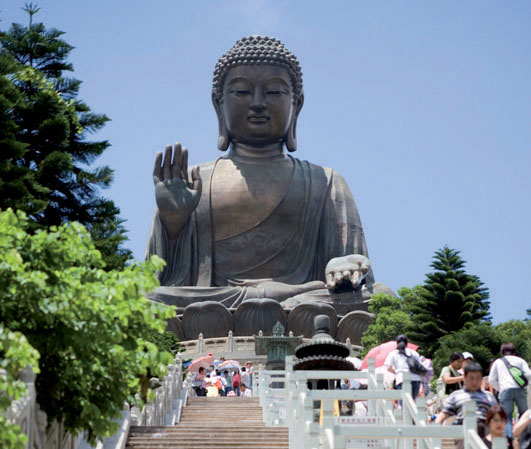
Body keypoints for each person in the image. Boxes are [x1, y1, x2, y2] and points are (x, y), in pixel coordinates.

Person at [146, 35, 393, 310]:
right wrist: (172, 226)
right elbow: (158, 280)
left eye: (274, 92)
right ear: (218, 104)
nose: (258, 103)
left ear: (296, 105)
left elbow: (356, 273)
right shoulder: (191, 181)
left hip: (303, 302)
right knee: (147, 301)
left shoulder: (325, 183)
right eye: (241, 92)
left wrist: (343, 265)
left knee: (380, 297)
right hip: (215, 305)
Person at [436, 361, 498, 445]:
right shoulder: (456, 396)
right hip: (462, 425)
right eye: (471, 378)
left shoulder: (488, 396)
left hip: (483, 425)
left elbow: (497, 415)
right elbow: (442, 416)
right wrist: (435, 428)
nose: (474, 382)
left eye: (478, 378)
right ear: (464, 377)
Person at [489, 342, 531, 439]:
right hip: (520, 390)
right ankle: (524, 439)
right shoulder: (520, 360)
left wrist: (500, 388)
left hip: (505, 390)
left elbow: (491, 379)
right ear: (514, 352)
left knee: (507, 418)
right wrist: (524, 385)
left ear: (502, 352)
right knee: (524, 415)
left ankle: (510, 441)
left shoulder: (498, 362)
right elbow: (528, 375)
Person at [384, 334, 423, 400]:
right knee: (411, 402)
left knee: (404, 402)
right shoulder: (414, 353)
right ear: (407, 343)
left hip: (401, 378)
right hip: (415, 379)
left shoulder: (393, 353)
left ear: (397, 343)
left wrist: (396, 372)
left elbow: (388, 368)